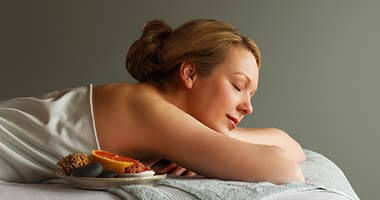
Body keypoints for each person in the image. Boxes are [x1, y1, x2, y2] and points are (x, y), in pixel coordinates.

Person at [0, 19, 305, 184]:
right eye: (239, 86)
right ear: (189, 73)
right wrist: (213, 142)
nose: (247, 106)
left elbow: (292, 147)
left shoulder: (150, 105)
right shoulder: (150, 110)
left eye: (251, 95)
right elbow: (285, 168)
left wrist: (213, 140)